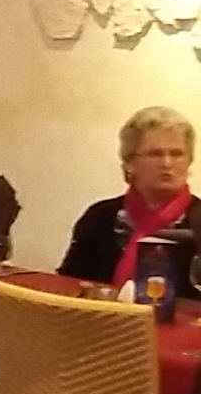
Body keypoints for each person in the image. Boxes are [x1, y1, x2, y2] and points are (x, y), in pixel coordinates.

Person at [59, 105, 200, 296]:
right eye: (155, 154)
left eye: (177, 154)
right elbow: (67, 285)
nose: (167, 163)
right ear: (129, 162)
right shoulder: (100, 217)